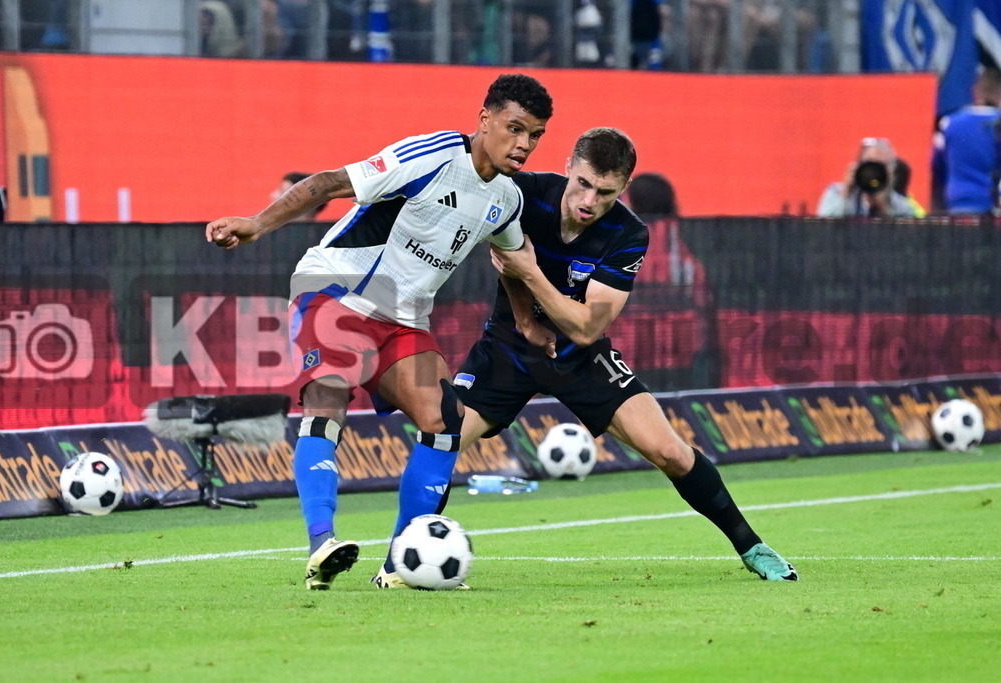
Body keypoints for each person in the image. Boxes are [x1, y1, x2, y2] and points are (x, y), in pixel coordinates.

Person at [371, 128, 797, 588]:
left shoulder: (628, 234)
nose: (589, 200)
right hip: (506, 351)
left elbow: (586, 326)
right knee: (442, 442)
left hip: (580, 357)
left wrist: (530, 272)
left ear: (623, 188)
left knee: (670, 451)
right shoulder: (524, 193)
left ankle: (752, 546)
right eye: (583, 183)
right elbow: (492, 238)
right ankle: (397, 565)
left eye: (606, 192)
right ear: (569, 166)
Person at [206, 74, 553, 590]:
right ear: (485, 119)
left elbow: (513, 257)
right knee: (329, 394)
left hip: (403, 318)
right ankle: (321, 542)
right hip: (337, 290)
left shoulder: (506, 197)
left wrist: (527, 318)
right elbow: (327, 183)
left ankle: (398, 563)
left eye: (536, 135)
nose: (524, 144)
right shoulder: (431, 155)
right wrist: (256, 224)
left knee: (445, 419)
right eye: (515, 128)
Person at [931, 67, 1001, 215]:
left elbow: (936, 166)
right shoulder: (997, 123)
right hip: (993, 208)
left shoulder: (949, 123)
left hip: (958, 205)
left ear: (975, 91)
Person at [816, 137, 917, 218]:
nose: (875, 173)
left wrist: (884, 208)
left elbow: (905, 238)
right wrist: (846, 193)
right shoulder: (836, 193)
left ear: (893, 171)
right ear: (859, 166)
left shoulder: (902, 205)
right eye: (870, 165)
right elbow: (825, 231)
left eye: (882, 166)